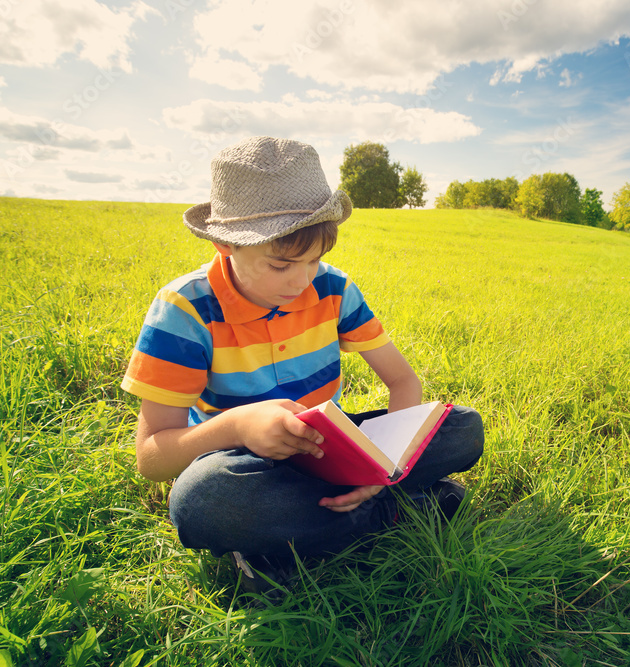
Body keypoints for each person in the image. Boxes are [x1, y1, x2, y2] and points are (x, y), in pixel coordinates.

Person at [121, 136, 484, 592]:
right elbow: (152, 458)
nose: (302, 281)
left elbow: (403, 381)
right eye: (280, 265)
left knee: (463, 428)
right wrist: (238, 426)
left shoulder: (333, 288)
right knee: (201, 501)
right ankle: (395, 509)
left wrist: (380, 467)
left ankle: (296, 535)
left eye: (315, 260)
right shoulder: (186, 309)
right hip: (241, 462)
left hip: (327, 447)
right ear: (224, 245)